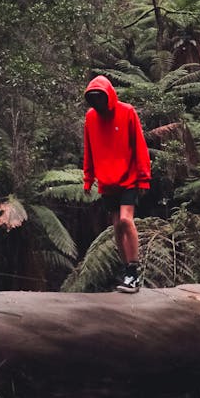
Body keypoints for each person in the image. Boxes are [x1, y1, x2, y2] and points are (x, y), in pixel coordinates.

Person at [83, 74, 151, 293]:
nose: (98, 103)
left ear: (109, 96)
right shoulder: (91, 118)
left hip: (129, 178)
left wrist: (143, 177)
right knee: (116, 230)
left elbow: (139, 145)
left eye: (101, 98)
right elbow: (89, 150)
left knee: (125, 220)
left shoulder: (127, 112)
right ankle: (126, 271)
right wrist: (88, 179)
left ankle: (133, 271)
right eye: (94, 99)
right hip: (107, 182)